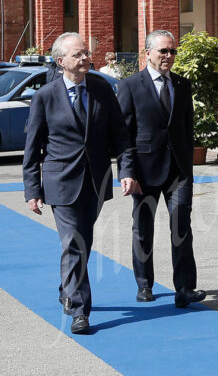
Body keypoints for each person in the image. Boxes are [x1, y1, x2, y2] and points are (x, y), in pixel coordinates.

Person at [22, 32, 140, 334]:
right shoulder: (45, 97)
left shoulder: (101, 88)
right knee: (74, 243)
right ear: (61, 61)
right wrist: (32, 190)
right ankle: (78, 309)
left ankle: (67, 286)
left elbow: (120, 135)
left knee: (81, 243)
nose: (86, 58)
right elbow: (33, 148)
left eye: (86, 52)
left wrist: (127, 171)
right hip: (60, 183)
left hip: (96, 182)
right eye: (78, 54)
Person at [117, 30, 206, 308]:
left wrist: (189, 168)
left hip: (178, 171)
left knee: (182, 227)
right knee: (143, 229)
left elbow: (186, 128)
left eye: (172, 52)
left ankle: (184, 288)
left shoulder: (182, 84)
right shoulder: (131, 85)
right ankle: (144, 284)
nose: (169, 57)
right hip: (144, 170)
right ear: (148, 54)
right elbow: (123, 134)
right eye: (163, 52)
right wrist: (127, 171)